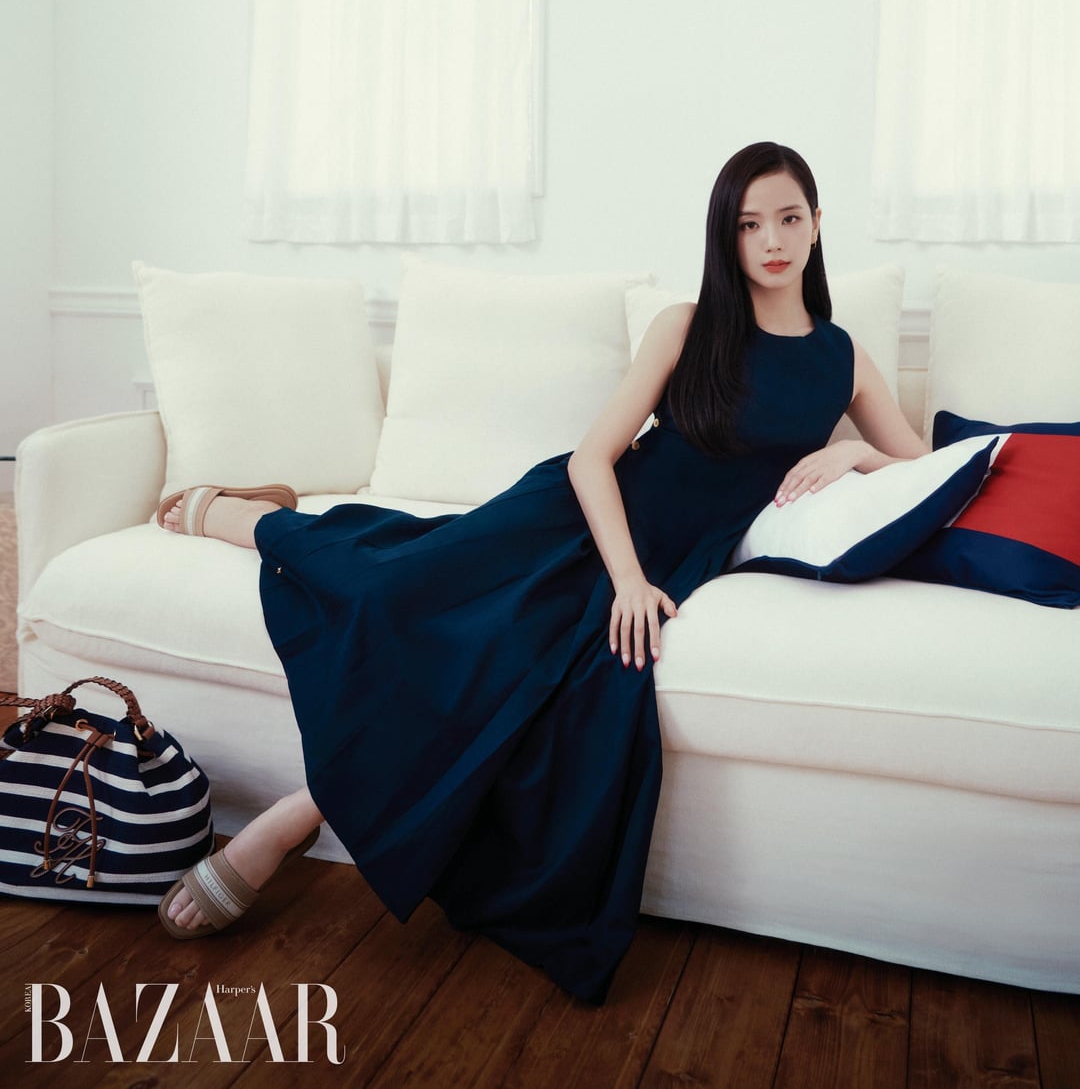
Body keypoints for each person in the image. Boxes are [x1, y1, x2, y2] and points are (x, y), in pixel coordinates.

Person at [155, 141, 927, 1004]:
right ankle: (242, 517)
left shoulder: (844, 360)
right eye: (750, 225)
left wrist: (856, 452)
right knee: (386, 586)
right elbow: (594, 459)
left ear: (818, 224)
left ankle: (294, 816)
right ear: (726, 235)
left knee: (528, 684)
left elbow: (928, 467)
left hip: (675, 563)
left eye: (788, 219)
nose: (772, 241)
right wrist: (627, 579)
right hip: (581, 519)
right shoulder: (687, 326)